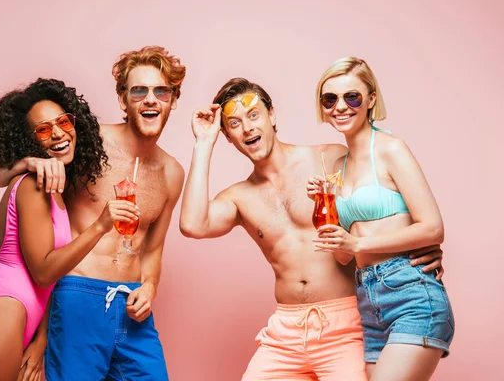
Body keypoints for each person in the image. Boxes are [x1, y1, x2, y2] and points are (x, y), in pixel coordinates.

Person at [180, 77, 444, 380]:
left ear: (272, 116)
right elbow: (192, 225)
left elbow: (381, 195)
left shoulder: (328, 159)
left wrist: (416, 246)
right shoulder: (239, 197)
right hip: (284, 333)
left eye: (254, 115)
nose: (248, 127)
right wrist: (203, 144)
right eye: (235, 123)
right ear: (227, 135)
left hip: (345, 325)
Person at [0, 46, 186, 381]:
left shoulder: (172, 172)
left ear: (172, 100)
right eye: (139, 90)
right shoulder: (90, 143)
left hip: (132, 308)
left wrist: (149, 287)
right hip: (77, 297)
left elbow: (153, 249)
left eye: (161, 91)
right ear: (123, 100)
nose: (150, 99)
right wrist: (28, 162)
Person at [0, 78, 124, 381]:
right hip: (1, 317)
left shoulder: (52, 188)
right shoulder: (32, 184)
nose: (58, 132)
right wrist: (100, 227)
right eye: (44, 129)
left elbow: (48, 282)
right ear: (30, 140)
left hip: (21, 320)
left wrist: (40, 340)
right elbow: (44, 272)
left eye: (63, 121)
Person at [308, 57, 454, 381]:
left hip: (410, 293)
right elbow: (344, 255)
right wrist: (322, 206)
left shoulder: (391, 150)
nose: (340, 107)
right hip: (370, 302)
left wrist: (358, 241)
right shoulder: (338, 169)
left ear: (371, 99)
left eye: (352, 97)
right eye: (329, 99)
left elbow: (432, 228)